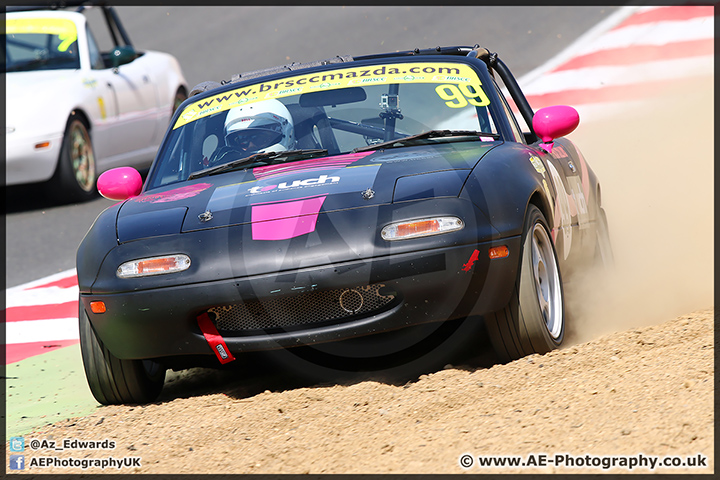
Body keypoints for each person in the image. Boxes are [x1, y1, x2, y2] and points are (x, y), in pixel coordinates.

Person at [216, 99, 296, 163]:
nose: (251, 146)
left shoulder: (306, 169)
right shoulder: (224, 175)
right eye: (242, 141)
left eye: (259, 139)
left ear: (286, 133)